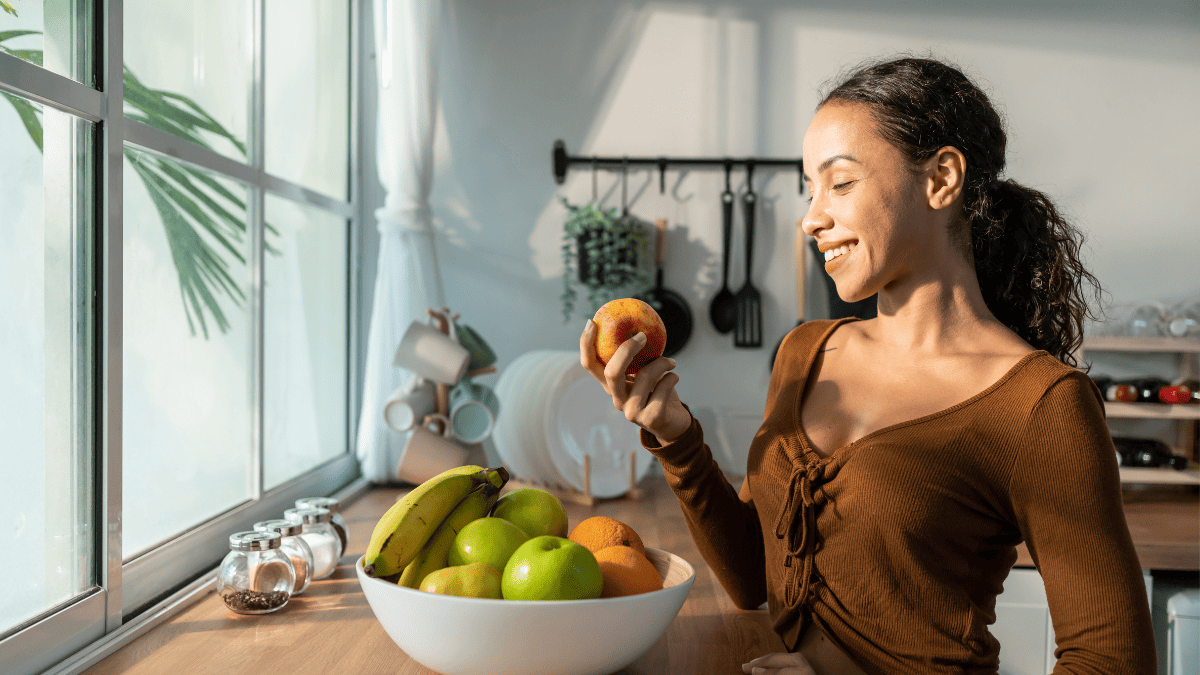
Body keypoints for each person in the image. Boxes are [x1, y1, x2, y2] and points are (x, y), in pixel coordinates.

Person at [579, 56, 1156, 675]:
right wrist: (675, 435)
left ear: (941, 179)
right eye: (809, 188)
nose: (811, 218)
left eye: (840, 183)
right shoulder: (805, 353)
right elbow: (754, 577)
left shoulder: (1041, 404)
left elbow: (1112, 662)